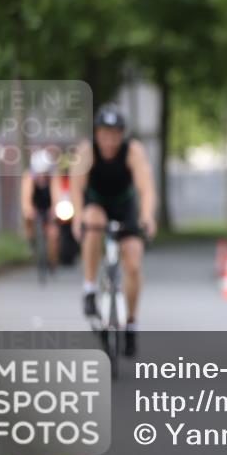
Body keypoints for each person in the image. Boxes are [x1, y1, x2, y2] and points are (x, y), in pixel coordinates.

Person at [70, 105, 157, 357]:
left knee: (133, 263)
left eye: (115, 134)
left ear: (122, 135)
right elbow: (76, 188)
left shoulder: (133, 152)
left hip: (124, 206)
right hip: (96, 204)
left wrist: (147, 216)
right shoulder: (87, 151)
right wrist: (77, 218)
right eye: (104, 134)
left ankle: (131, 323)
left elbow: (146, 188)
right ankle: (89, 288)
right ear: (97, 133)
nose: (109, 140)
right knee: (93, 220)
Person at [21, 149, 61, 271]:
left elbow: (57, 195)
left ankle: (52, 261)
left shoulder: (54, 178)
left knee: (53, 234)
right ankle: (31, 243)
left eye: (45, 173)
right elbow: (26, 198)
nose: (43, 177)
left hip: (48, 207)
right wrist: (29, 210)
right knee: (27, 218)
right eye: (40, 174)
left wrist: (54, 209)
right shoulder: (28, 177)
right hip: (35, 206)